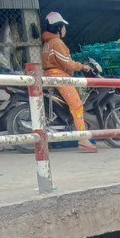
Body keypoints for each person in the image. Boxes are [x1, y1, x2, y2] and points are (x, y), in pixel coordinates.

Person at [41, 12, 97, 153]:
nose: (65, 29)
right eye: (63, 26)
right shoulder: (57, 43)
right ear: (58, 28)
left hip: (51, 75)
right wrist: (82, 66)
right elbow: (67, 64)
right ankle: (83, 140)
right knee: (77, 106)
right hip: (60, 77)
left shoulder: (47, 43)